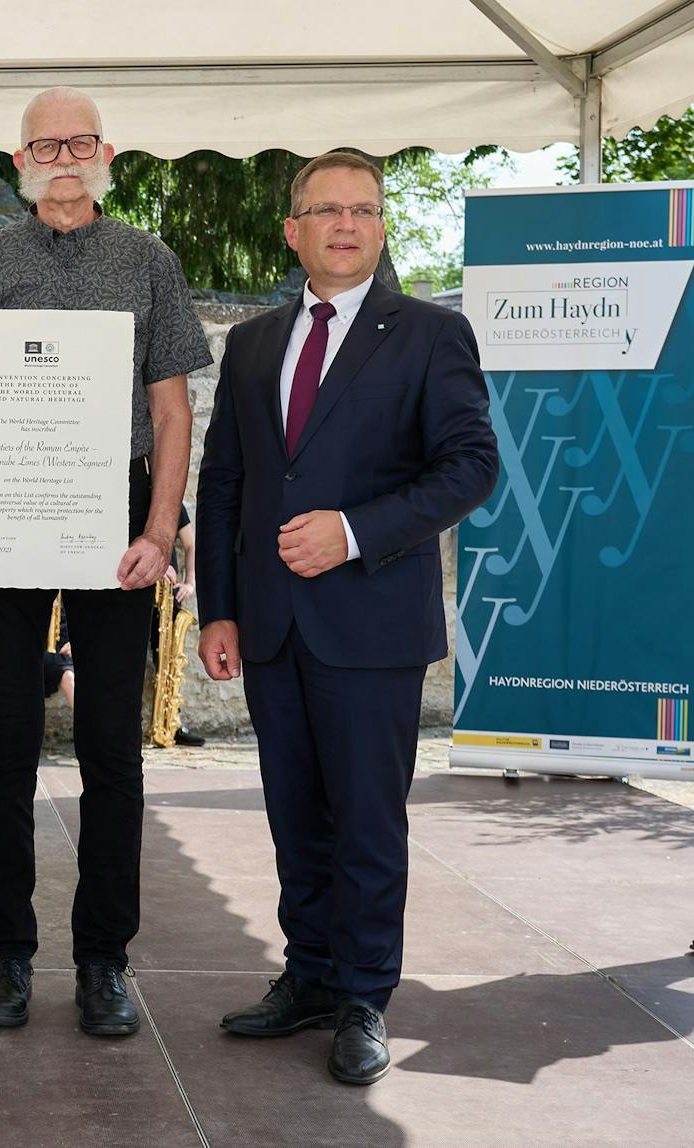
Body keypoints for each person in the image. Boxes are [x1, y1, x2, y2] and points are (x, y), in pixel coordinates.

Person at [195, 151, 498, 1084]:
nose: (344, 224)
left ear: (380, 227)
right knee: (295, 815)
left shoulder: (431, 336)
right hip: (273, 624)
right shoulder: (251, 344)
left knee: (366, 821)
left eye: (363, 209)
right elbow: (228, 483)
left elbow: (470, 468)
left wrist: (355, 533)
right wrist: (219, 609)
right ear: (293, 231)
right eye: (325, 209)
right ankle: (312, 977)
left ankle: (366, 997)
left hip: (370, 622)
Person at [0, 87, 212, 1037]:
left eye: (79, 141)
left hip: (117, 513)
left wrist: (162, 531)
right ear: (18, 163)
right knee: (3, 735)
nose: (63, 157)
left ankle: (104, 962)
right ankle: (6, 956)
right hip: (10, 509)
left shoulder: (149, 260)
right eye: (44, 144)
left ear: (109, 155)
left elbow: (172, 412)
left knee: (109, 750)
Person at [149, 504, 205, 747]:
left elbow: (191, 545)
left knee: (168, 661)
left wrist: (189, 582)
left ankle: (172, 723)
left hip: (166, 597)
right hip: (133, 591)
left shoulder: (172, 503)